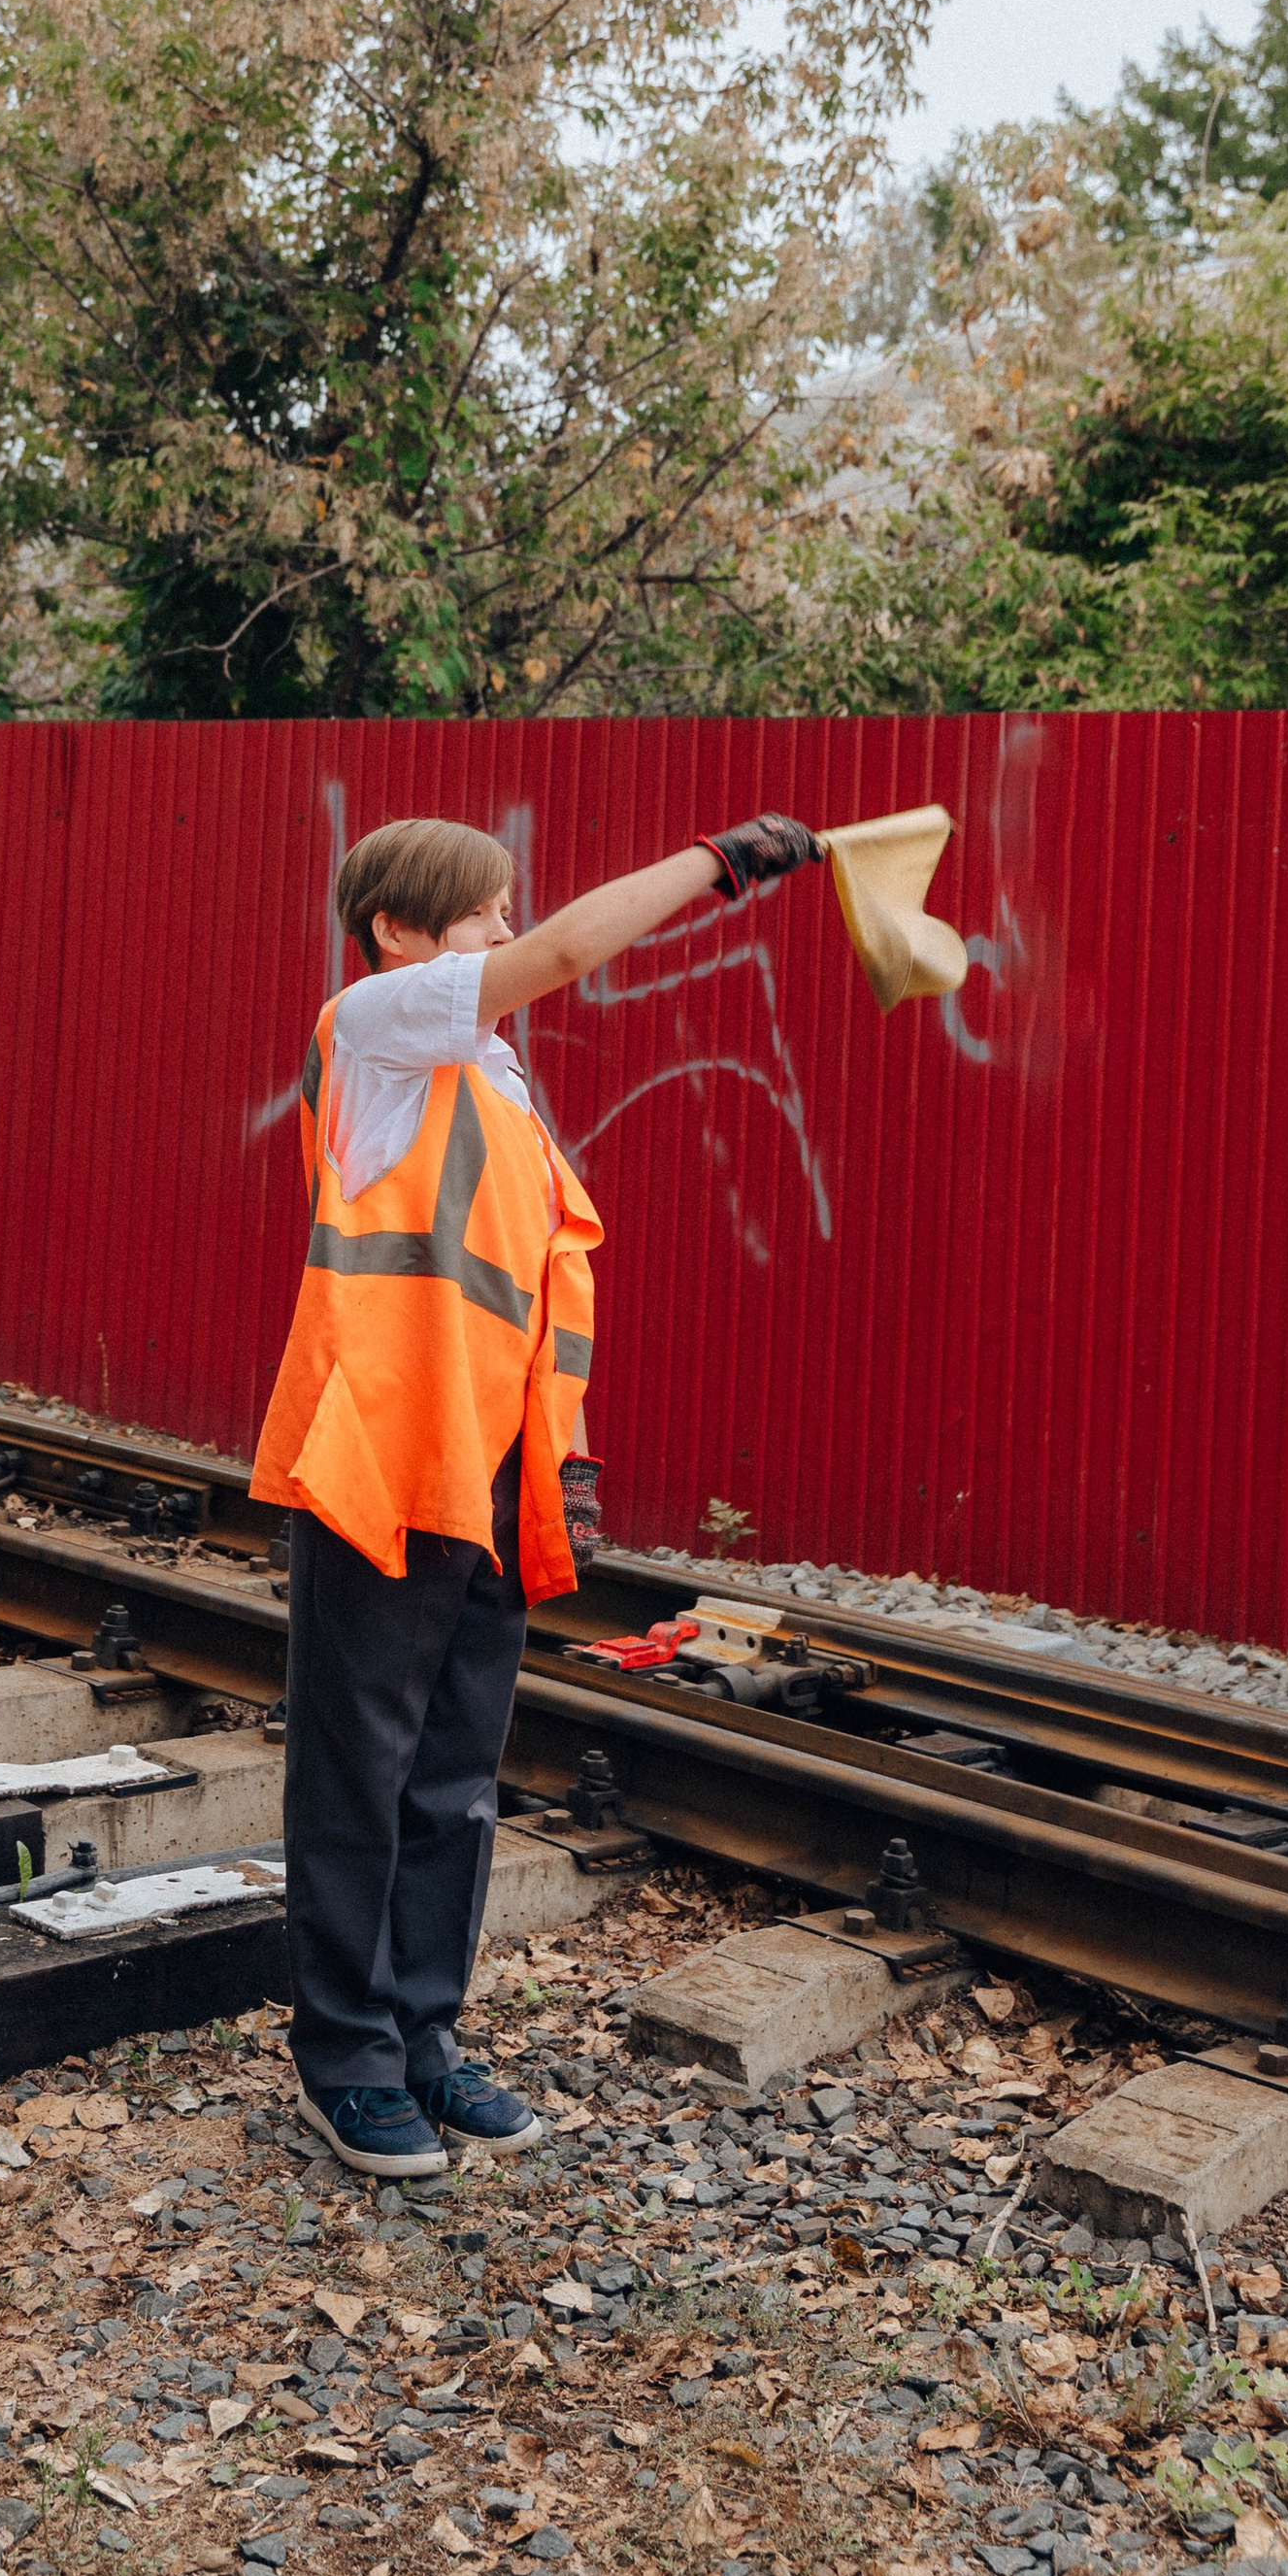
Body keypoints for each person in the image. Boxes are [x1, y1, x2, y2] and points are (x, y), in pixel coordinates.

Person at [250, 807, 822, 2177]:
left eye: (509, 910)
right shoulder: (379, 1026)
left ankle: (422, 2044)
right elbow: (571, 946)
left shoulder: (491, 1078)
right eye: (483, 913)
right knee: (360, 1771)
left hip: (492, 1473)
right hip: (384, 1462)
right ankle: (347, 2062)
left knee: (449, 1777)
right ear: (400, 933)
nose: (511, 932)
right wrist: (718, 862)